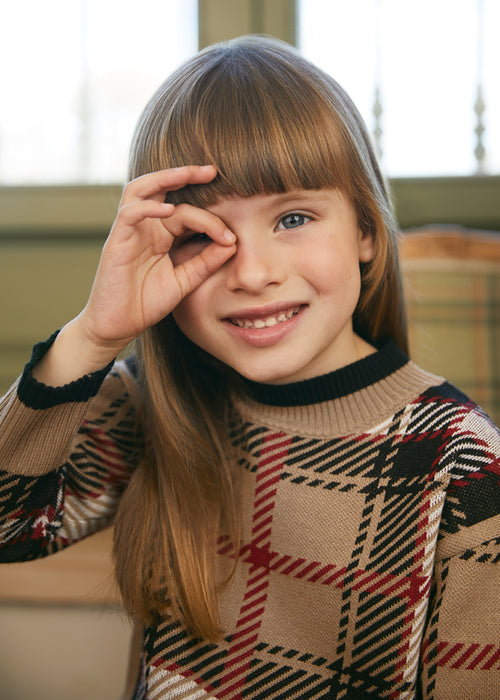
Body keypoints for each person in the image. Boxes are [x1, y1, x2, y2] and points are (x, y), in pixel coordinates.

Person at [0, 35, 499, 700]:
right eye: (203, 236)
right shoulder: (150, 402)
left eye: (292, 217)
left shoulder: (462, 462)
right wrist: (92, 335)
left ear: (367, 232)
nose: (255, 274)